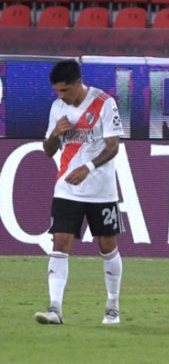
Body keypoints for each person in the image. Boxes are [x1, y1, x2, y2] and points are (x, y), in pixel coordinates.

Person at [34, 59, 125, 325]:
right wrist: (55, 135)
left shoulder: (105, 103)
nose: (61, 96)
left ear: (77, 84)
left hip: (101, 191)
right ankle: (55, 308)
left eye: (65, 91)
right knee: (59, 243)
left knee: (107, 247)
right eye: (57, 92)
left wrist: (87, 166)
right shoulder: (57, 108)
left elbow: (113, 146)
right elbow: (48, 150)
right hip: (67, 188)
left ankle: (112, 306)